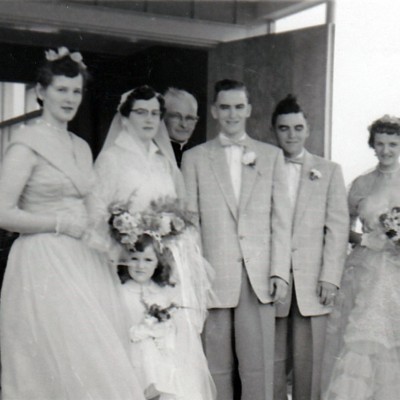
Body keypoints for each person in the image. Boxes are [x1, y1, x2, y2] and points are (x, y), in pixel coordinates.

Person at [0, 47, 145, 399]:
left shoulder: (80, 146)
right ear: (40, 92)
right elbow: (2, 212)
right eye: (61, 89)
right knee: (57, 361)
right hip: (42, 262)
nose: (69, 98)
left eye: (76, 90)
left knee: (97, 359)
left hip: (84, 261)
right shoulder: (25, 143)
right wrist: (59, 224)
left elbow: (90, 206)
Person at [88, 84, 215, 398]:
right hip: (129, 265)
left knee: (172, 341)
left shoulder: (163, 160)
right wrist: (125, 240)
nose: (149, 120)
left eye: (155, 114)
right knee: (137, 341)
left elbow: (180, 211)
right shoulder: (111, 159)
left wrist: (171, 230)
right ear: (126, 116)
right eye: (141, 113)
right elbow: (95, 215)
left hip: (166, 264)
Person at [181, 79, 292, 400]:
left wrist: (279, 272)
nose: (232, 114)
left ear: (249, 110)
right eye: (225, 107)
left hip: (258, 278)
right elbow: (190, 222)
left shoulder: (271, 157)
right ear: (214, 111)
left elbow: (281, 221)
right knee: (215, 365)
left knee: (258, 367)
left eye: (239, 107)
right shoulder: (196, 158)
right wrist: (196, 273)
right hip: (213, 274)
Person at [271, 94, 349, 400]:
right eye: (284, 128)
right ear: (273, 131)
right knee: (272, 361)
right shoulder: (263, 165)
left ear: (308, 129)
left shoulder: (328, 170)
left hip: (313, 281)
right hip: (272, 281)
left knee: (310, 362)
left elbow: (338, 227)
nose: (291, 134)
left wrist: (330, 276)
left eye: (297, 127)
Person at [323, 115, 400, 400]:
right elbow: (343, 227)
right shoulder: (361, 184)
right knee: (361, 338)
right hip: (366, 269)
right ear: (373, 145)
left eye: (392, 143)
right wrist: (366, 239)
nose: (386, 150)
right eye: (380, 144)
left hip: (397, 272)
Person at [118, 233, 216, 400]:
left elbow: (177, 330)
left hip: (164, 357)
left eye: (148, 260)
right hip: (132, 357)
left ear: (158, 263)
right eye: (134, 258)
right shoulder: (121, 292)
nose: (140, 265)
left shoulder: (165, 293)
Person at [164, 87, 199, 168]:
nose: (184, 125)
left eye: (189, 118)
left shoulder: (200, 152)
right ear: (163, 117)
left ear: (196, 121)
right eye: (176, 117)